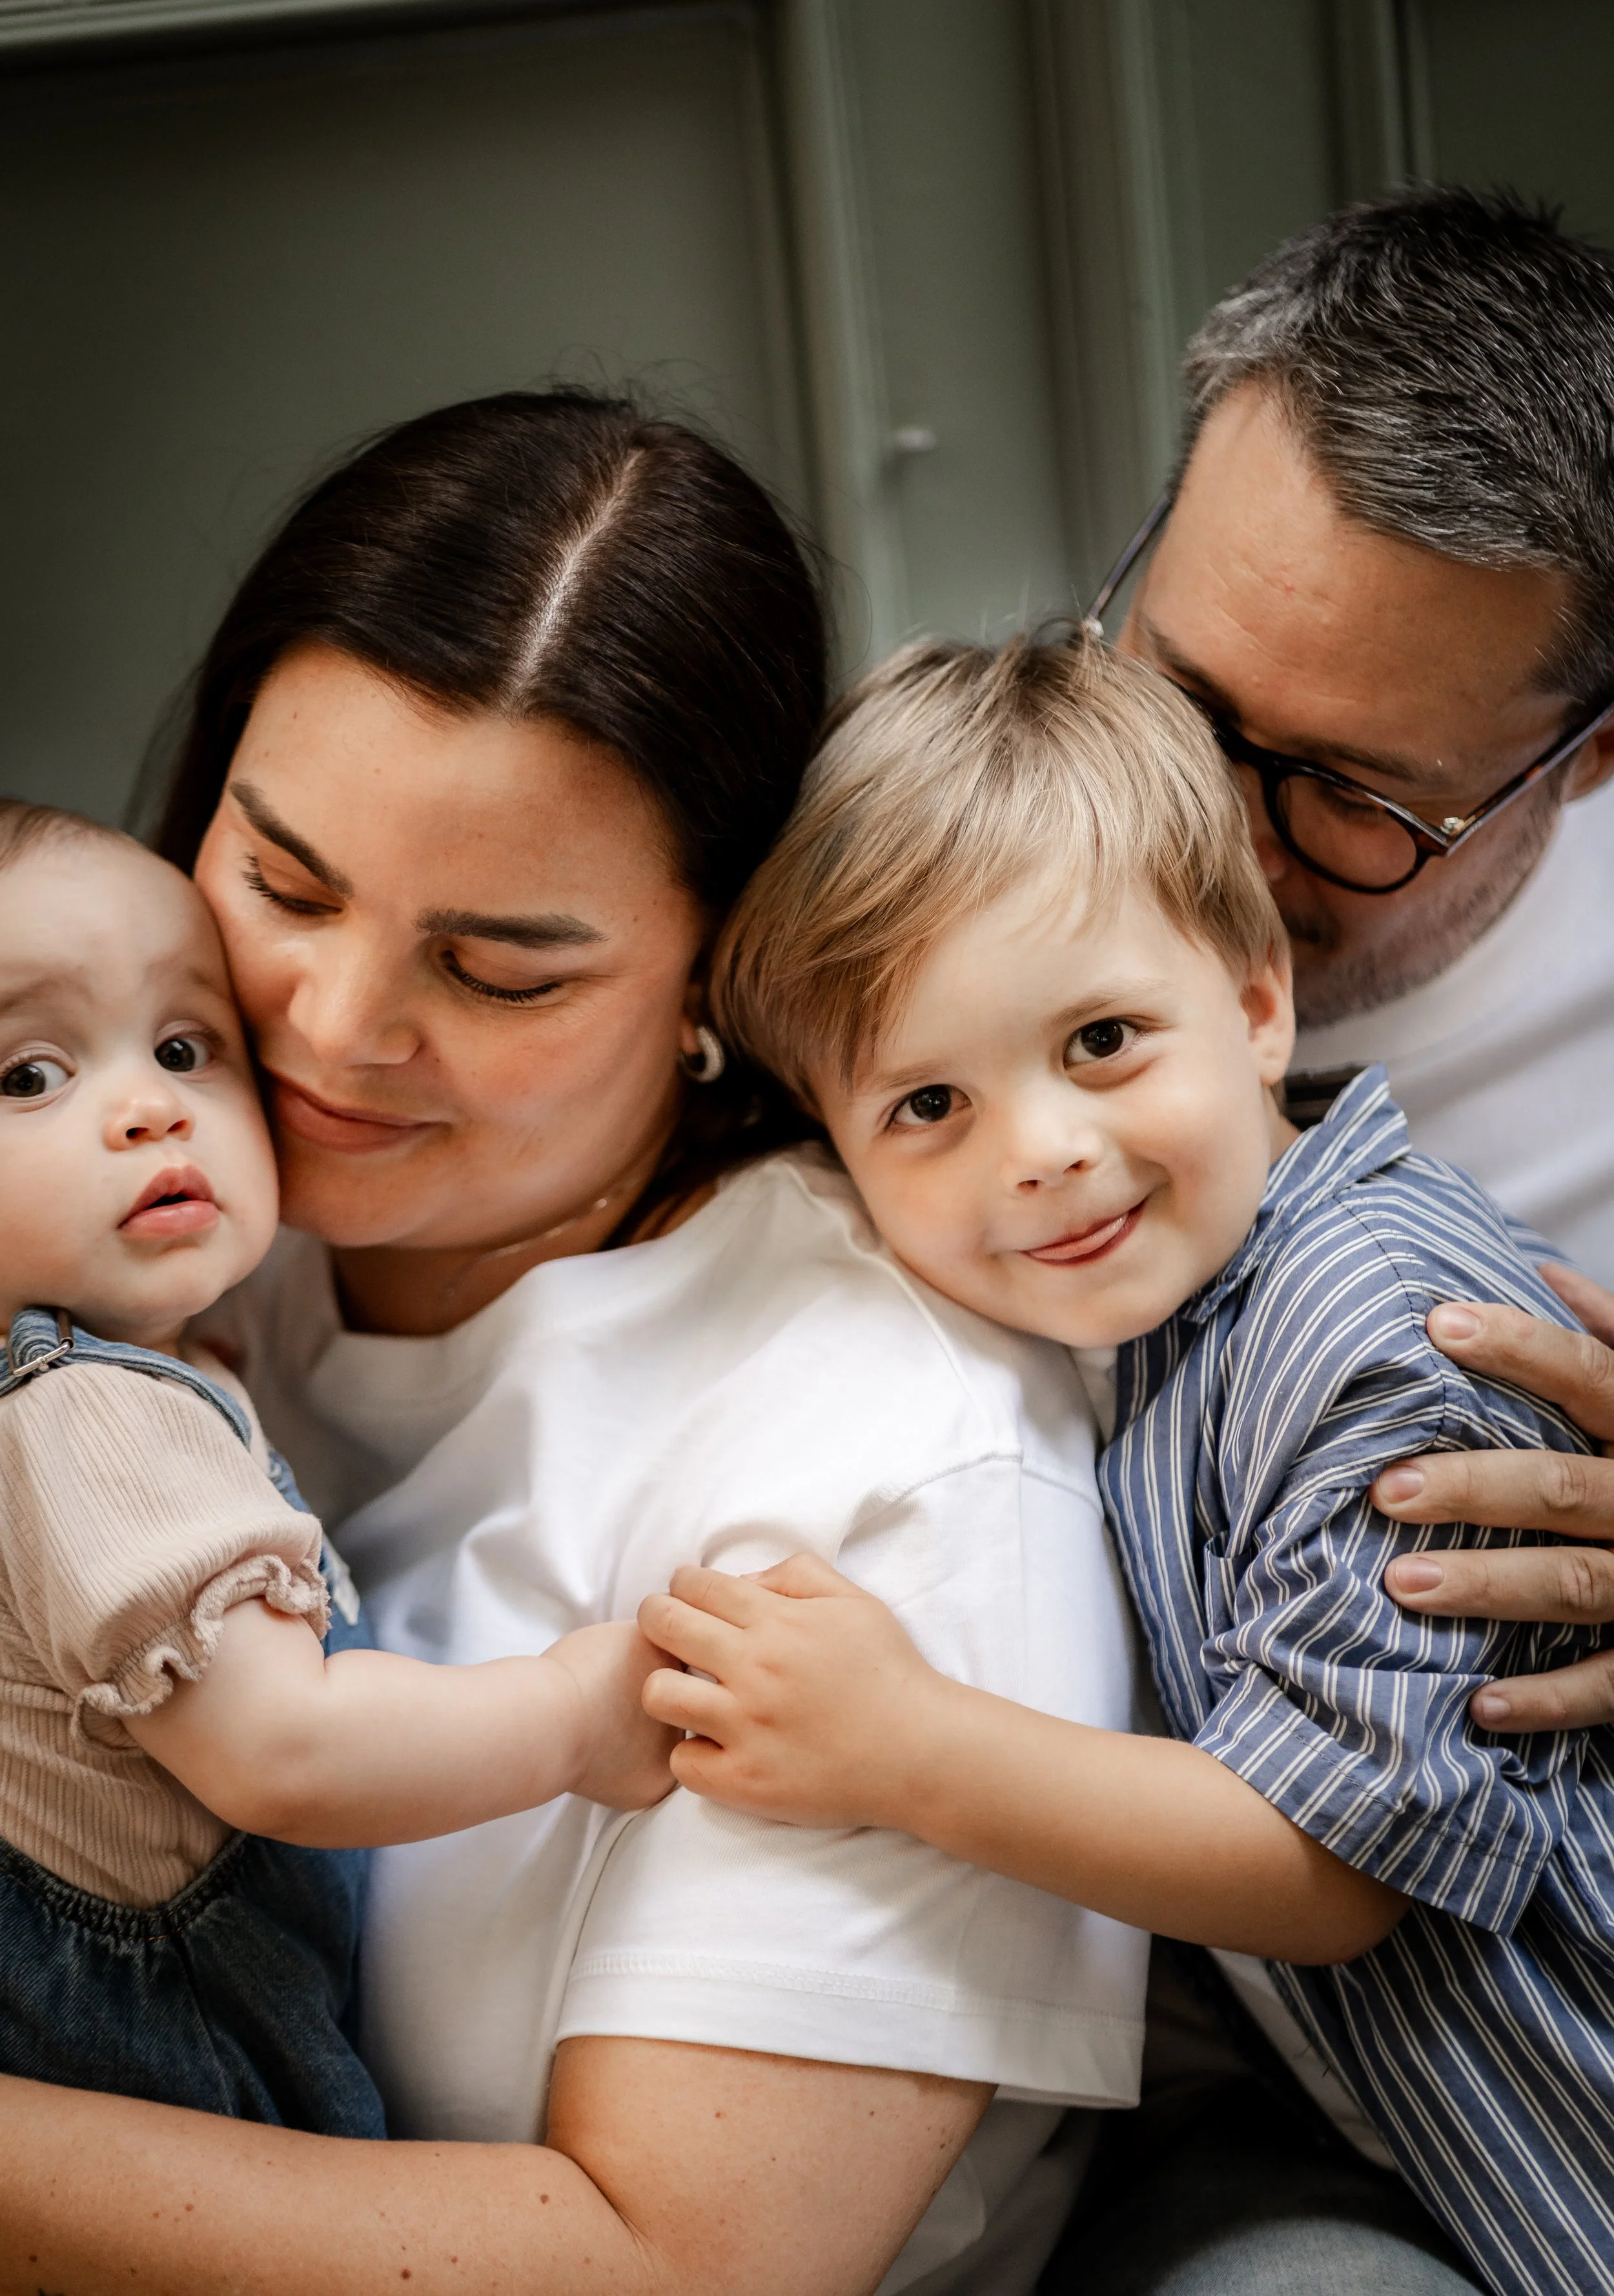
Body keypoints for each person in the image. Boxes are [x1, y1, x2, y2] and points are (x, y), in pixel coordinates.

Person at [0, 389, 1150, 2296]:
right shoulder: (170, 1226)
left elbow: (685, 2264)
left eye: (498, 967)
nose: (334, 1023)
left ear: (714, 976)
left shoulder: (887, 1452)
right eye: (282, 881)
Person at [645, 628, 1612, 2296]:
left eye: (1099, 1039)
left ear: (1251, 1002)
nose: (1042, 1152)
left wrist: (903, 1739)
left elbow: (1324, 1865)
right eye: (928, 1103)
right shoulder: (1160, 1301)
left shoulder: (1383, 1349)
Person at [0, 799, 673, 2131]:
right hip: (167, 2078)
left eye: (186, 1047)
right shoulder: (90, 1415)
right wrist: (568, 1716)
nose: (147, 1109)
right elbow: (284, 1752)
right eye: (28, 1074)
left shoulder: (139, 1379)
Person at [1087, 185, 1614, 1748]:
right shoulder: (944, 809)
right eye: (1179, 701)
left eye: (1347, 798)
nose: (1211, 846)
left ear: (1589, 760)